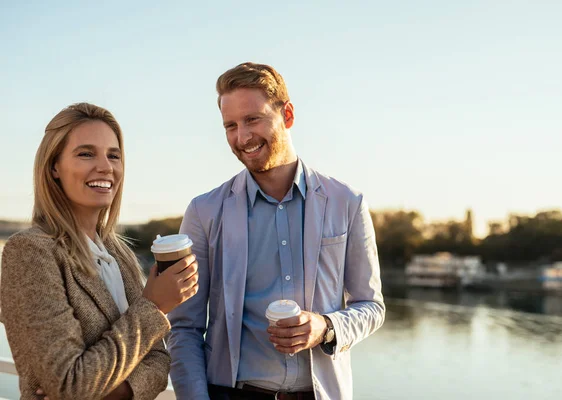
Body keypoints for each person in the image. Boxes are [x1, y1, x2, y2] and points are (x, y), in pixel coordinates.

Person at [168, 62, 385, 400]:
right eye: (231, 125)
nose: (242, 137)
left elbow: (371, 307)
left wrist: (325, 328)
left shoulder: (348, 202)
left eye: (253, 119)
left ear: (288, 115)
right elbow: (184, 327)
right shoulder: (204, 211)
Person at [0, 103, 199, 400]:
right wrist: (154, 306)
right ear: (54, 166)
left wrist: (105, 392)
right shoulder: (29, 252)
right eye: (86, 153)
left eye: (113, 155)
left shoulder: (119, 254)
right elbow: (71, 385)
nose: (106, 167)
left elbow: (158, 362)